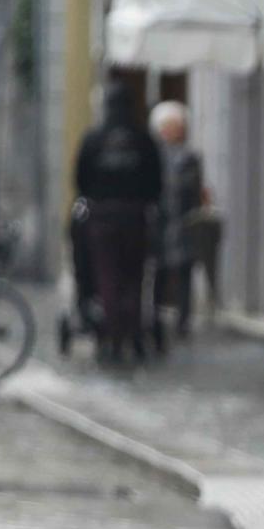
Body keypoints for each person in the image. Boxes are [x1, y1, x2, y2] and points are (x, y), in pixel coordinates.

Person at [75, 83, 162, 363]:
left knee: (107, 276)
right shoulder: (143, 139)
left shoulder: (94, 138)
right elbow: (156, 179)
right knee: (134, 278)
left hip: (102, 216)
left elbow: (80, 178)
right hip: (135, 215)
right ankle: (132, 333)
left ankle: (111, 336)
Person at [150, 101, 206, 341]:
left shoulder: (189, 156)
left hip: (184, 222)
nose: (171, 131)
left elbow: (193, 188)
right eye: (167, 126)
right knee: (159, 271)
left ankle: (183, 319)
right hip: (161, 223)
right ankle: (155, 317)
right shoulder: (153, 155)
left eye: (175, 126)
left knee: (184, 271)